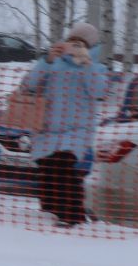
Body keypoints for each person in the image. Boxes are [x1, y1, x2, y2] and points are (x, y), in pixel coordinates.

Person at [21, 21, 111, 228]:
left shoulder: (96, 67)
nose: (74, 46)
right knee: (47, 170)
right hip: (45, 129)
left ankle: (73, 216)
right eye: (72, 41)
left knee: (64, 166)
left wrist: (85, 62)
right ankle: (50, 212)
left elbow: (99, 92)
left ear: (89, 47)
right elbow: (29, 85)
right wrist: (47, 60)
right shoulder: (53, 63)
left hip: (76, 131)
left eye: (80, 43)